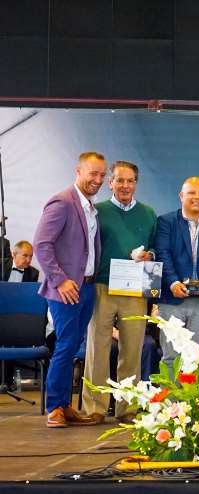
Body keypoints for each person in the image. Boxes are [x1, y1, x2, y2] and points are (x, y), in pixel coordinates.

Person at [33, 151, 107, 427]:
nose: (97, 179)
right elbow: (42, 244)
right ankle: (55, 408)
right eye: (93, 173)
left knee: (73, 345)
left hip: (86, 288)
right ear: (78, 171)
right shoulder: (62, 202)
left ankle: (64, 404)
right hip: (66, 289)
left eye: (102, 175)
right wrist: (60, 280)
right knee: (65, 346)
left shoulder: (89, 205)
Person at [82, 160, 158, 424]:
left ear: (136, 184)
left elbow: (156, 249)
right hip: (102, 286)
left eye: (130, 181)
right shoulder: (97, 211)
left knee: (132, 350)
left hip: (136, 288)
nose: (125, 185)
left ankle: (128, 409)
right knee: (97, 348)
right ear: (110, 182)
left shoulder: (148, 214)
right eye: (120, 180)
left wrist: (150, 255)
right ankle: (95, 408)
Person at [154, 177, 199, 372]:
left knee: (194, 357)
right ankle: (170, 403)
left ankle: (189, 403)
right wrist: (172, 282)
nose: (197, 197)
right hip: (172, 299)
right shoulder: (166, 221)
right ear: (181, 196)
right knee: (171, 357)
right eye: (191, 193)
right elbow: (163, 253)